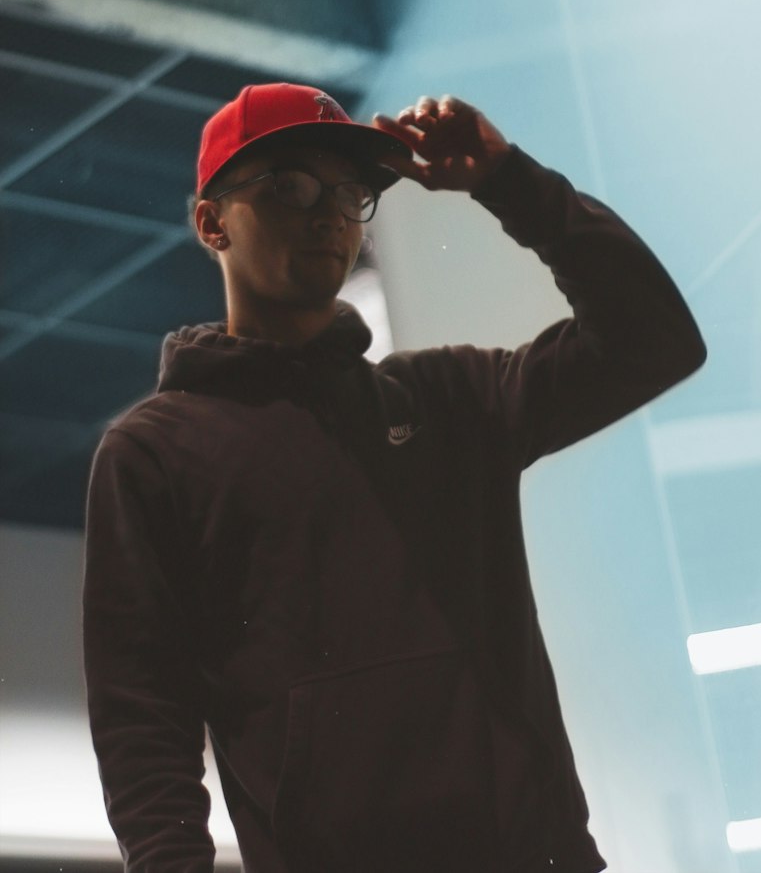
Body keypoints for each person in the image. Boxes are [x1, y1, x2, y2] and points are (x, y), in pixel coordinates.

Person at [82, 82, 707, 872]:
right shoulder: (154, 454)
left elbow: (656, 342)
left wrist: (509, 181)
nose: (329, 213)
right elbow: (144, 721)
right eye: (290, 186)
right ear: (212, 223)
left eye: (349, 193)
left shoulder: (449, 401)